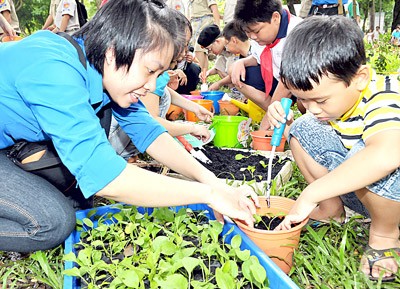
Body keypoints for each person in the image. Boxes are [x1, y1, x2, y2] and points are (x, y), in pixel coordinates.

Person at [0, 0, 257, 253]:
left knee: (75, 203)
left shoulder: (102, 71)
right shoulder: (53, 68)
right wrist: (207, 195)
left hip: (10, 145)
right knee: (52, 223)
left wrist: (215, 184)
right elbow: (104, 176)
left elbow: (150, 133)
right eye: (150, 71)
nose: (151, 85)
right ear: (113, 51)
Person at [271, 16, 400, 282]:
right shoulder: (334, 101)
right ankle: (331, 210)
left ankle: (385, 235)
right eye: (302, 99)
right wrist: (283, 113)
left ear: (359, 78)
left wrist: (311, 193)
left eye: (320, 99)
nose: (312, 108)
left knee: (365, 153)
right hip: (374, 195)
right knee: (303, 128)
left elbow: (386, 155)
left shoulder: (385, 96)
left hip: (393, 191)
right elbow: (312, 117)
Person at [232, 0, 304, 129]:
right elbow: (258, 57)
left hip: (299, 83)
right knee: (241, 75)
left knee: (303, 103)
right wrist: (241, 62)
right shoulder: (260, 37)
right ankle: (280, 117)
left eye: (256, 31)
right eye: (248, 32)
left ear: (275, 17)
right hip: (279, 80)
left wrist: (263, 127)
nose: (252, 37)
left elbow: (286, 83)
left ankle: (295, 124)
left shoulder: (298, 33)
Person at [197, 24, 237, 91]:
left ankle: (240, 92)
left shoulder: (232, 46)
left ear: (218, 41)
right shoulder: (223, 50)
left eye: (210, 49)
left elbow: (234, 73)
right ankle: (234, 90)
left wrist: (219, 83)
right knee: (220, 61)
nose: (210, 52)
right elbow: (217, 68)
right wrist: (208, 73)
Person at [189, 0, 221, 74]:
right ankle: (203, 77)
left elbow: (214, 8)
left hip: (205, 22)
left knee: (199, 48)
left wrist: (217, 26)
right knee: (203, 52)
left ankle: (198, 74)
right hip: (194, 24)